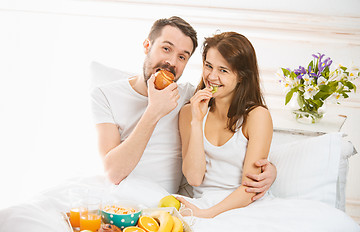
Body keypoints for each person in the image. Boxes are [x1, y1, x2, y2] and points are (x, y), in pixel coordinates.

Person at [91, 16, 276, 197]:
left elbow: (234, 104)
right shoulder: (105, 95)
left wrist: (271, 171)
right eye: (166, 49)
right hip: (120, 197)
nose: (171, 62)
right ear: (147, 46)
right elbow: (112, 174)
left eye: (181, 57)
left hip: (166, 203)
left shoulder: (191, 97)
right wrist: (154, 111)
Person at [177, 31, 273, 218]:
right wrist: (197, 121)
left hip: (243, 207)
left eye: (223, 70)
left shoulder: (257, 116)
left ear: (242, 76)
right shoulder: (189, 112)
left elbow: (250, 188)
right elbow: (194, 178)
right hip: (202, 203)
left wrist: (207, 214)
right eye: (208, 66)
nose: (212, 77)